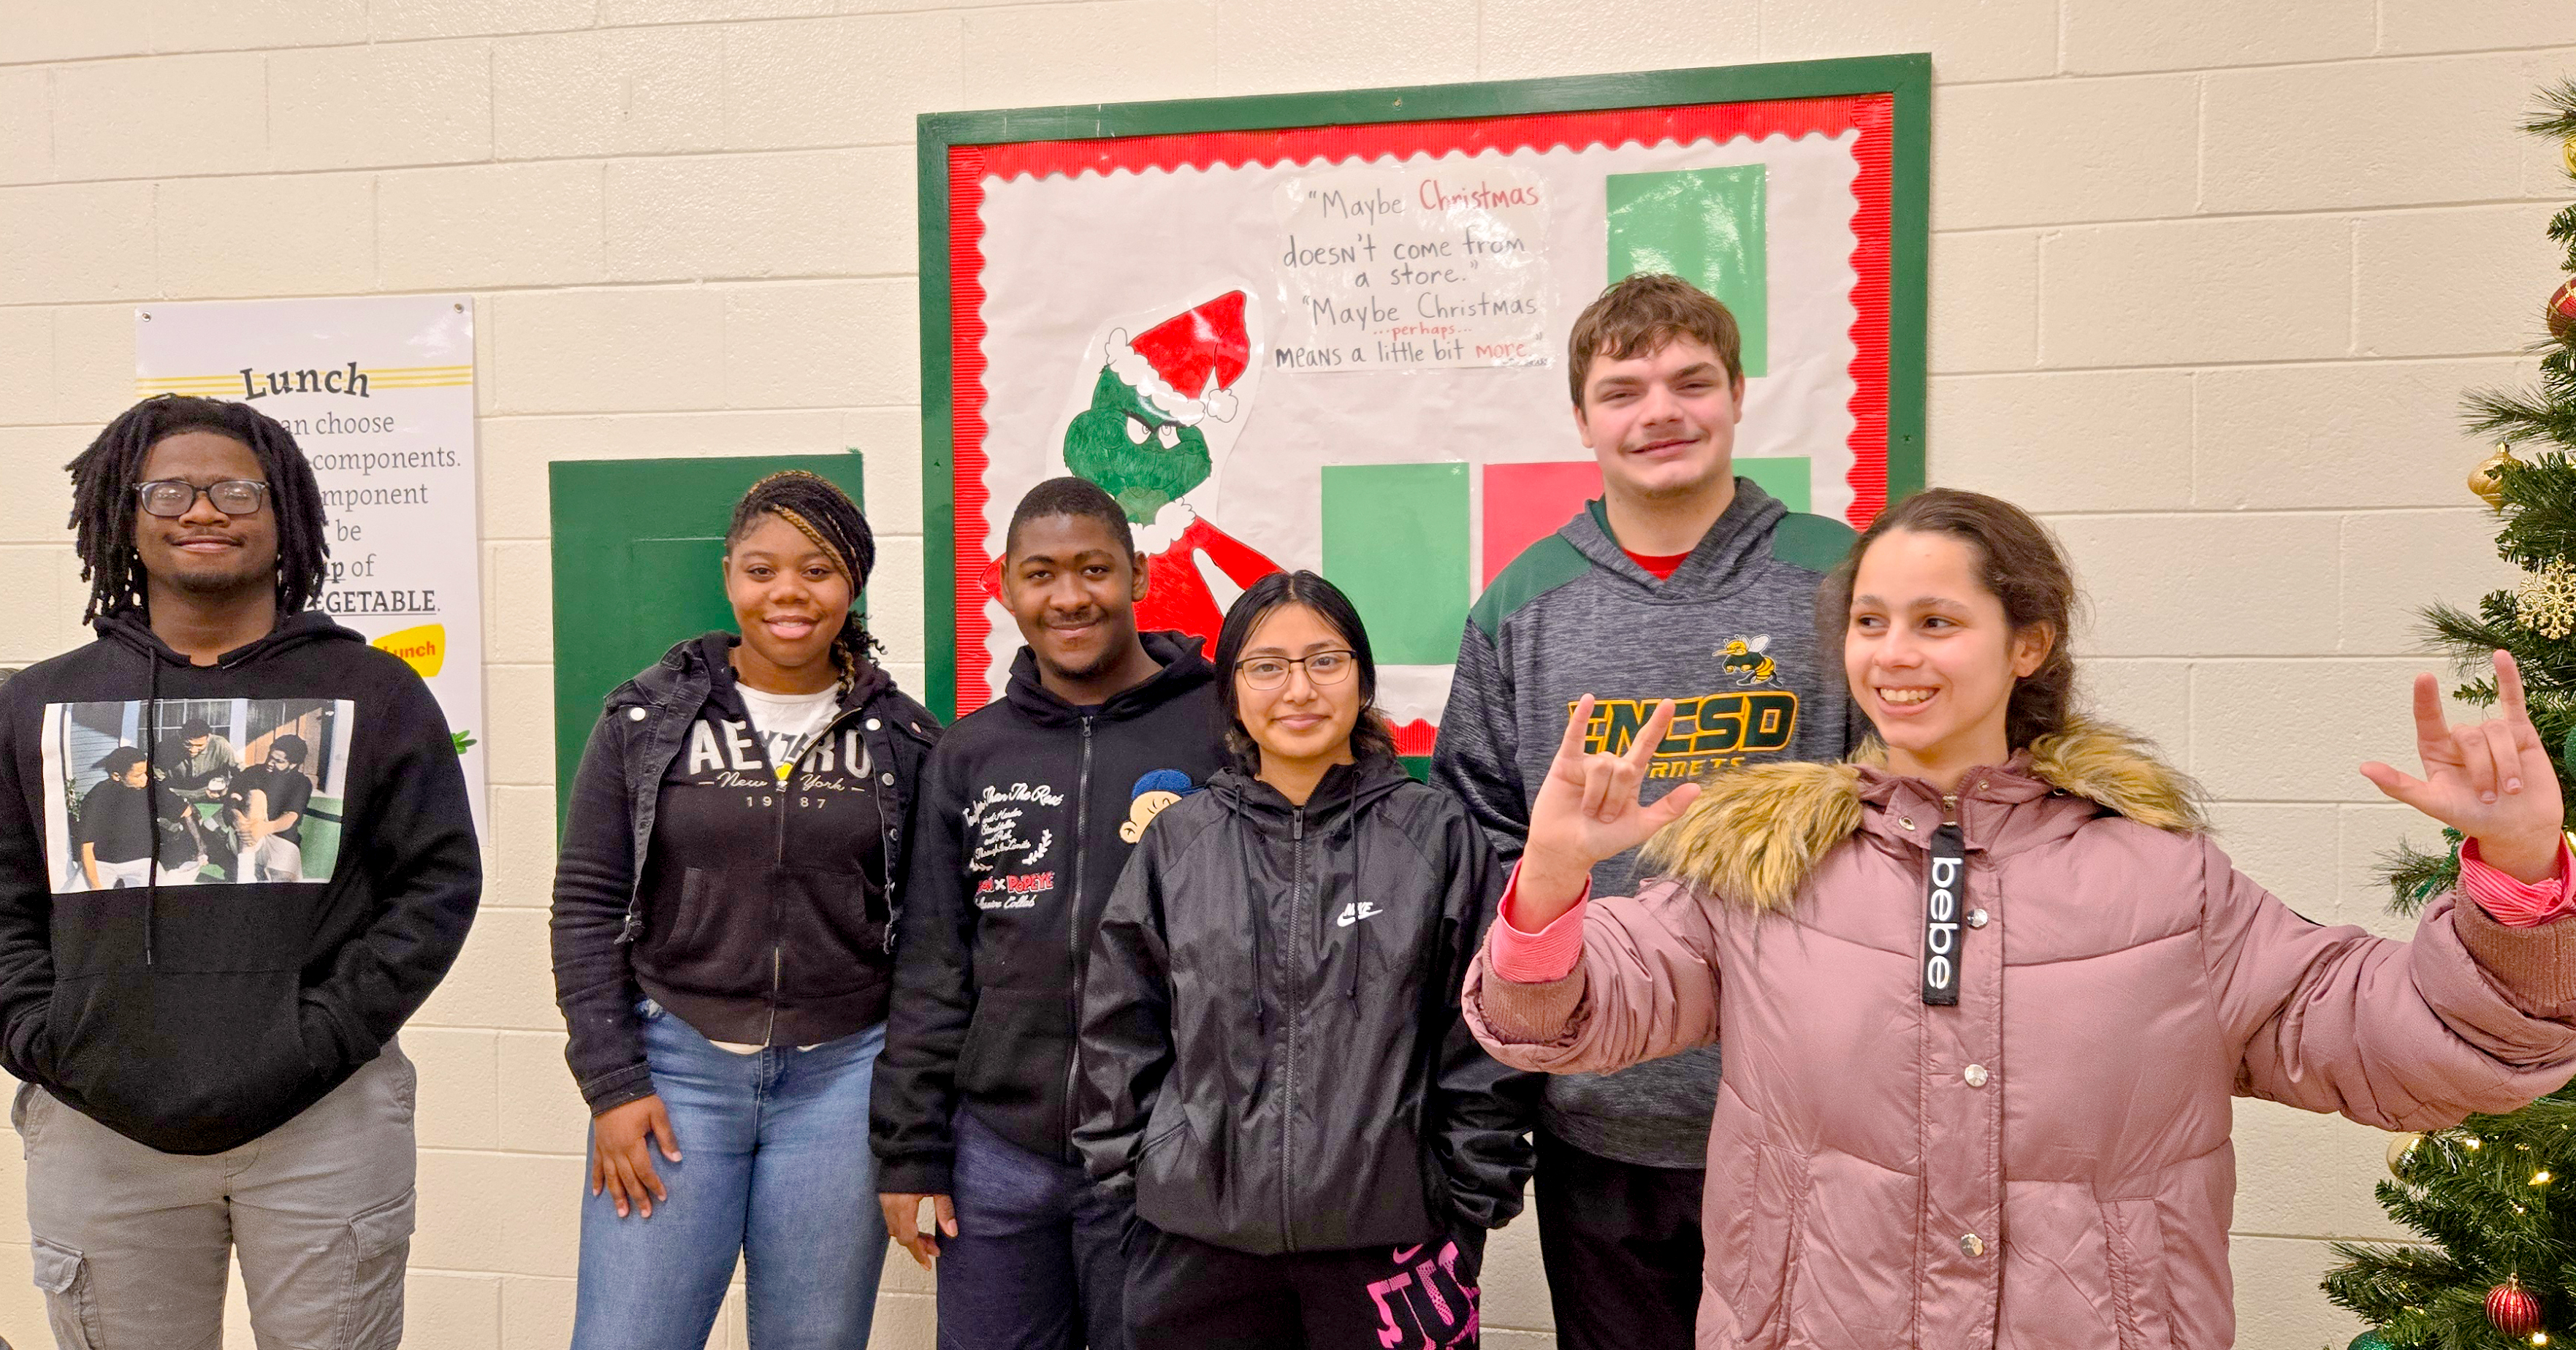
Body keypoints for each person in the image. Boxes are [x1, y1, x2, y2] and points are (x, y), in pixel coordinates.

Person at [1463, 488, 2576, 1349]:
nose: (1893, 655)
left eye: (1936, 621)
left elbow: (2435, 1049)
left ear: (2027, 644)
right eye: (1869, 622)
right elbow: (1553, 1014)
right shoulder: (1765, 871)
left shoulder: (2166, 885)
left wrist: (2518, 879)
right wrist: (1551, 879)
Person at [1430, 271, 1860, 1346]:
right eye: (1622, 391)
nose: (1659, 412)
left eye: (1690, 382)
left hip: (1815, 1112)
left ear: (1738, 395)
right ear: (1583, 419)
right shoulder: (1521, 603)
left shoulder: (1842, 576)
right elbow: (1478, 846)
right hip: (1599, 1115)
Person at [0, 394, 481, 1349]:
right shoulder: (40, 702)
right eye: (169, 491)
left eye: (235, 491)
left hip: (323, 1122)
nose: (202, 511)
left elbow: (434, 886)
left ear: (284, 513)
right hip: (99, 1129)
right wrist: (42, 1037)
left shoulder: (373, 691)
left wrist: (327, 1031)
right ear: (125, 517)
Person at [1077, 571, 1536, 1349]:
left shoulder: (1437, 836)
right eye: (1267, 666)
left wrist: (1462, 1199)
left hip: (1395, 1244)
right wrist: (1141, 1180)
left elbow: (1487, 1034)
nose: (1299, 689)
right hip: (1195, 1248)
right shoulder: (1178, 843)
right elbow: (1120, 1028)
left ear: (1363, 678)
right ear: (1232, 689)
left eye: (1325, 661)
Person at [550, 470, 938, 1350]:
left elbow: (929, 943)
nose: (787, 592)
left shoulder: (908, 740)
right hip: (674, 1074)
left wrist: (912, 1114)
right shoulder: (645, 718)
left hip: (845, 1083)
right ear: (728, 577)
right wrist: (613, 1084)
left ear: (853, 585)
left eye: (818, 570)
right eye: (762, 570)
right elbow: (587, 903)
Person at [874, 476, 1229, 1350]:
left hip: (1167, 1147)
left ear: (1138, 574)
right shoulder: (970, 753)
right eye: (1041, 574)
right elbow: (932, 961)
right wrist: (912, 1149)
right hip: (998, 1156)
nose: (1069, 597)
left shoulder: (1222, 729)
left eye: (1093, 569)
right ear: (1005, 588)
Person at [229, 733, 315, 882]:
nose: (270, 762)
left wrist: (262, 828)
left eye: (278, 761)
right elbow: (231, 804)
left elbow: (290, 817)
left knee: (287, 885)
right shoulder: (251, 773)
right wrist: (241, 822)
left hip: (278, 838)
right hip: (244, 838)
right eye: (270, 756)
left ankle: (259, 870)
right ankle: (245, 875)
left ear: (293, 764)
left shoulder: (301, 783)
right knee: (256, 796)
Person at [74, 746, 156, 891]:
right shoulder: (97, 797)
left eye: (146, 772)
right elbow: (86, 846)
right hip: (102, 862)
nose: (146, 779)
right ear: (117, 776)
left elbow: (185, 811)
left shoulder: (153, 789)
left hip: (142, 861)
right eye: (138, 776)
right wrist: (96, 887)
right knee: (75, 896)